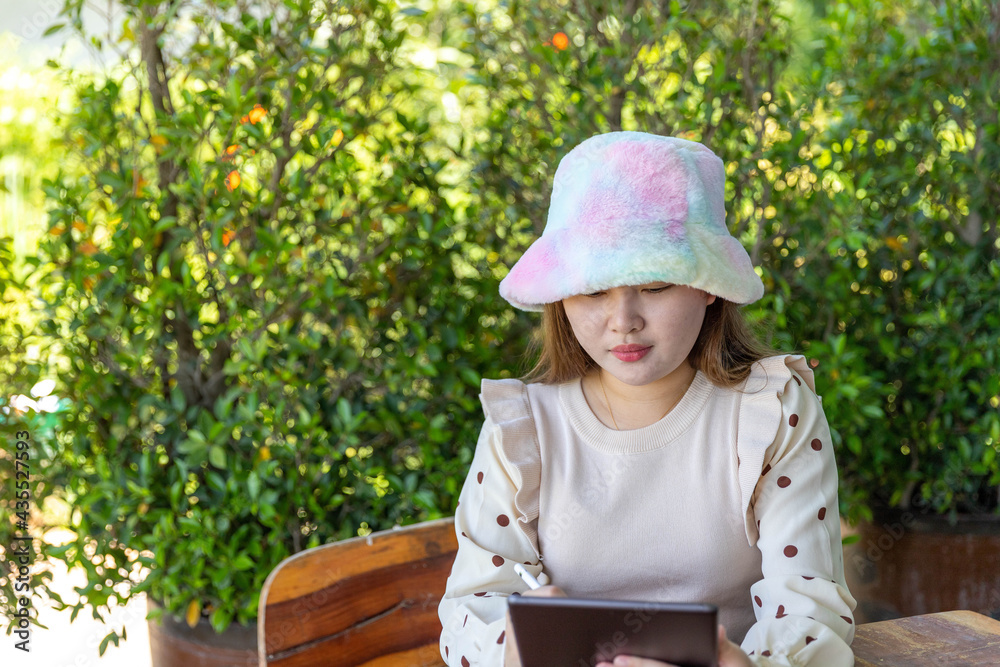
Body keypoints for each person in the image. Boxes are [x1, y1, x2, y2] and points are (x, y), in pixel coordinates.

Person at [438, 131, 856, 667]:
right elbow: (469, 610)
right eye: (592, 290)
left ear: (709, 285)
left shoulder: (772, 411)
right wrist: (513, 648)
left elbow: (810, 605)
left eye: (655, 285)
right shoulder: (523, 429)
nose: (623, 321)